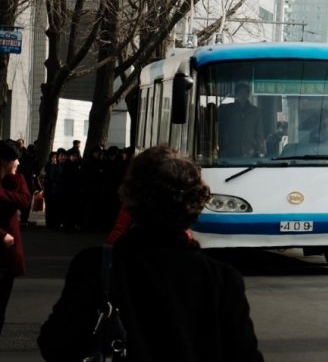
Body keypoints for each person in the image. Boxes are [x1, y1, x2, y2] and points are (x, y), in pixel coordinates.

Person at [38, 145, 262, 360]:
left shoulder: (95, 265)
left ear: (129, 199)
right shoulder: (222, 279)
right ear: (196, 204)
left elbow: (55, 344)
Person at [0, 141, 31, 335]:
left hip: (9, 254)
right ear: (3, 160)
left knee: (1, 308)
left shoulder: (17, 180)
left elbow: (25, 200)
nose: (18, 163)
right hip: (4, 242)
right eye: (14, 159)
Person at [218, 82, 265, 158]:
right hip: (231, 151)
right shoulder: (228, 109)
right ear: (236, 95)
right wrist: (223, 146)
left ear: (248, 95)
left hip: (250, 151)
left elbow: (259, 133)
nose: (243, 96)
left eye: (245, 93)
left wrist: (259, 149)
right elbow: (222, 130)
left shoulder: (255, 111)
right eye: (240, 93)